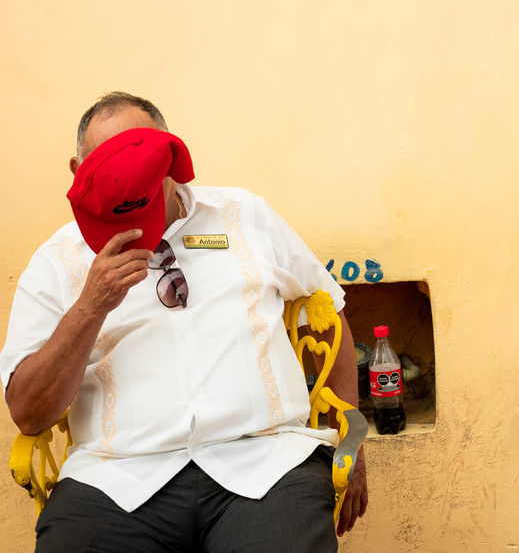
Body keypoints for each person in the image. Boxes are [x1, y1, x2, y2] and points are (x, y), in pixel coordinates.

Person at [1, 92, 368, 551]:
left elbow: (327, 310)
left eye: (141, 161)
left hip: (266, 462)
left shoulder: (246, 217)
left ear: (171, 157)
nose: (128, 181)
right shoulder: (55, 261)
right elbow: (28, 412)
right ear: (78, 174)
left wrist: (347, 436)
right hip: (115, 478)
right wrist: (90, 308)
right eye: (107, 167)